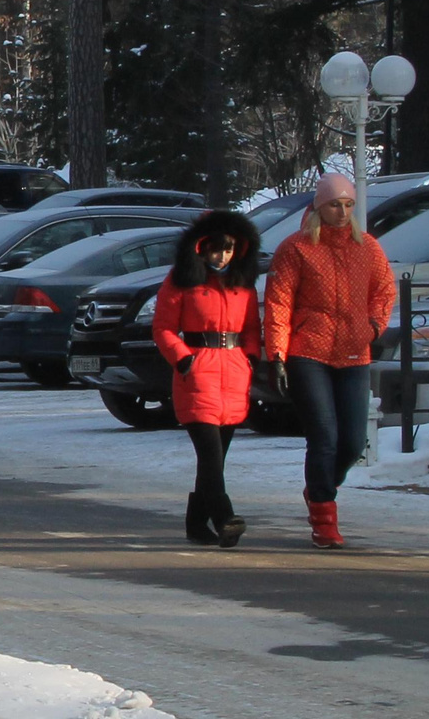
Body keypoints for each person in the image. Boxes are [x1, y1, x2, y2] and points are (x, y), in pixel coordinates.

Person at [264, 172, 398, 548]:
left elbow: (385, 289)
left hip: (355, 351)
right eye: (334, 205)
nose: (342, 212)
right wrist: (277, 352)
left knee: (353, 442)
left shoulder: (367, 247)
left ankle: (319, 486)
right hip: (309, 350)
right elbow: (279, 302)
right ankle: (324, 515)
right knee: (324, 436)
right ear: (319, 208)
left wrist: (373, 326)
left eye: (348, 205)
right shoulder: (297, 248)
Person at [152, 210, 261, 547]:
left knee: (215, 459)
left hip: (233, 374)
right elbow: (164, 328)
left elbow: (251, 328)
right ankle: (225, 517)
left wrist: (251, 356)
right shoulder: (181, 280)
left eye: (228, 249)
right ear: (200, 248)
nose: (222, 256)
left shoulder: (242, 285)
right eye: (215, 249)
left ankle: (196, 523)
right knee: (211, 455)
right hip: (198, 374)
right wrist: (184, 360)